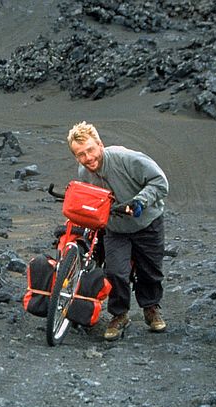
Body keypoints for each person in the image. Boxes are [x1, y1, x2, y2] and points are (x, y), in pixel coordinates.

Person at [66, 121, 169, 341]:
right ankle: (120, 314)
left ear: (100, 144)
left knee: (150, 269)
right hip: (115, 229)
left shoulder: (127, 159)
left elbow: (160, 182)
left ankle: (151, 308)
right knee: (115, 272)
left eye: (90, 150)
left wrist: (141, 201)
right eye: (81, 154)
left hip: (147, 223)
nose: (88, 158)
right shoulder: (84, 172)